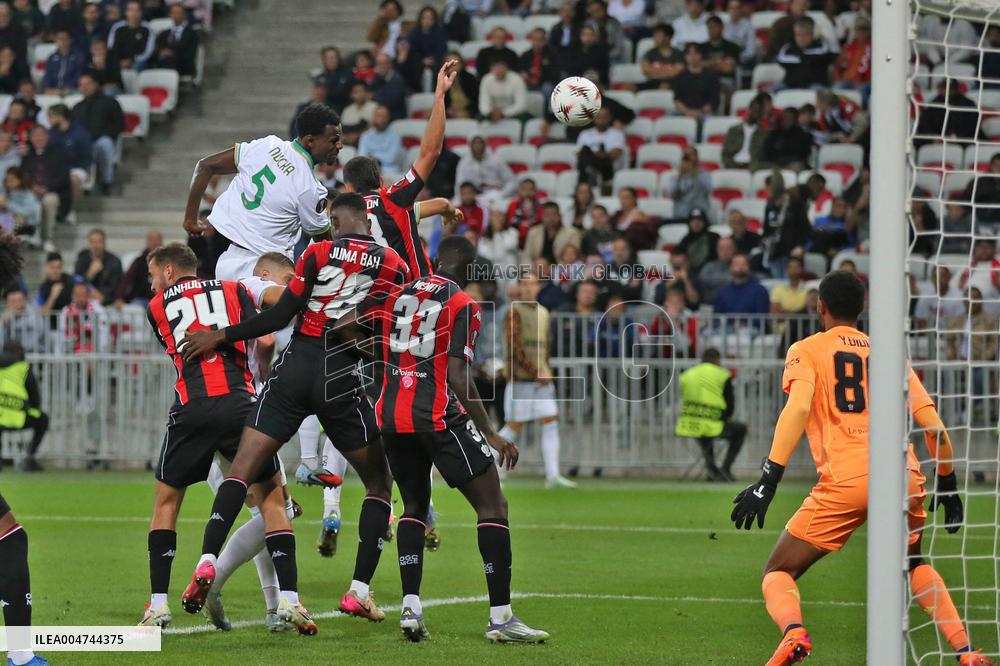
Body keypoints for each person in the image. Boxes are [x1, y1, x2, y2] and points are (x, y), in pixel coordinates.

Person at [730, 270, 995, 666]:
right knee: (914, 562)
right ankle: (965, 651)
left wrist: (768, 481)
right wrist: (948, 482)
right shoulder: (889, 353)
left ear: (820, 306)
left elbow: (798, 407)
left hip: (847, 478)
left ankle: (793, 634)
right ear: (863, 308)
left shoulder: (806, 349)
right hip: (902, 476)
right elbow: (934, 428)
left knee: (778, 571)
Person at [176, 194, 411, 633]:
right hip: (342, 375)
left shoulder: (318, 252)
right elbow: (386, 329)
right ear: (367, 220)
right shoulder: (393, 263)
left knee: (241, 471)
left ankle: (207, 560)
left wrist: (220, 335)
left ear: (338, 218)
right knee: (379, 483)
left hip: (296, 367)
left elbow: (282, 313)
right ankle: (358, 590)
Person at [336, 234, 550, 643]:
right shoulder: (462, 305)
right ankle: (501, 619)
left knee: (414, 504)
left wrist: (383, 360)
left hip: (390, 415)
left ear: (433, 260)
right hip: (435, 414)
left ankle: (411, 609)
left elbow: (344, 324)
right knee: (492, 504)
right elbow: (457, 376)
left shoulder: (395, 294)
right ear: (470, 272)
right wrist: (490, 433)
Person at [138, 243, 280, 629]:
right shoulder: (234, 290)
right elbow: (266, 340)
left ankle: (157, 605)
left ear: (169, 272)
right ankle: (285, 604)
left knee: (167, 503)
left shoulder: (156, 307)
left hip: (193, 408)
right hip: (243, 407)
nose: (152, 286)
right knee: (272, 501)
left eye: (153, 276)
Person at [181, 103, 342, 280]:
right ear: (310, 141)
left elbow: (205, 166)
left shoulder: (267, 144)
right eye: (334, 140)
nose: (340, 145)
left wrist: (190, 219)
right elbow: (325, 243)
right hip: (268, 272)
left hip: (227, 263)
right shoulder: (310, 189)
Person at [499, 272, 575, 488]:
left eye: (532, 284)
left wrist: (545, 370)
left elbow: (544, 347)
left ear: (538, 287)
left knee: (550, 421)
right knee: (514, 426)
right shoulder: (513, 312)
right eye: (524, 284)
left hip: (541, 378)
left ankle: (553, 475)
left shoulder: (544, 312)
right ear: (519, 288)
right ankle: (495, 471)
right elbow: (515, 348)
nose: (528, 288)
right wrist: (535, 372)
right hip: (521, 380)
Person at [675, 347, 744, 481]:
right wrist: (726, 417)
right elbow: (730, 404)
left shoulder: (687, 374)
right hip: (712, 423)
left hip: (687, 425)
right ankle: (725, 469)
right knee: (740, 430)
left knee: (705, 437)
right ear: (718, 359)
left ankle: (711, 469)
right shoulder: (722, 374)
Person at [72, 72, 124, 195]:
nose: (84, 87)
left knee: (104, 144)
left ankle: (107, 181)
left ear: (96, 85)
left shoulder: (110, 102)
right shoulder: (77, 107)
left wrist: (103, 134)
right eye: (81, 85)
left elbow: (119, 125)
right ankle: (84, 184)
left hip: (102, 139)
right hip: (84, 143)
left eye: (87, 84)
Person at [0, 340, 47, 471]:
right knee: (43, 420)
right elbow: (34, 394)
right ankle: (30, 458)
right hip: (18, 416)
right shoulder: (23, 367)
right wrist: (31, 409)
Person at [46, 104, 91, 202]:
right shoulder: (50, 133)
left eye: (50, 116)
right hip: (55, 169)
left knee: (72, 179)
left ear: (61, 117)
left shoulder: (80, 133)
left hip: (76, 168)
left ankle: (69, 209)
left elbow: (87, 157)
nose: (48, 119)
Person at [776, 18, 835, 90]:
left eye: (806, 34)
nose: (802, 38)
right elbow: (781, 59)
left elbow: (824, 55)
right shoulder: (788, 48)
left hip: (816, 85)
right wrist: (806, 58)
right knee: (774, 90)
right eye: (798, 35)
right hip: (790, 85)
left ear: (812, 34)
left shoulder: (821, 46)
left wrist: (801, 56)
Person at [576, 107, 625, 191]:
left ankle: (583, 185)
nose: (601, 120)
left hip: (607, 166)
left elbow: (616, 154)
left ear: (609, 118)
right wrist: (594, 154)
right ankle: (589, 175)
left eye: (604, 117)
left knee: (587, 152)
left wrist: (597, 154)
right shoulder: (585, 134)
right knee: (585, 150)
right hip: (587, 163)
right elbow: (579, 154)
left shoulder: (617, 134)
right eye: (599, 117)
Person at [672, 43, 720, 122]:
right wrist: (687, 111)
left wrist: (700, 111)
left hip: (705, 112)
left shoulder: (711, 76)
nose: (692, 57)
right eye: (689, 54)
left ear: (701, 55)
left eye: (696, 53)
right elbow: (677, 99)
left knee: (708, 120)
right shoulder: (680, 76)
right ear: (685, 56)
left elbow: (714, 101)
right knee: (669, 117)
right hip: (685, 112)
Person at [73, 228, 122, 305]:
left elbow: (115, 285)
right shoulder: (82, 259)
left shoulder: (114, 261)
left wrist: (102, 295)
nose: (96, 246)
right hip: (85, 300)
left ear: (104, 243)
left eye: (99, 242)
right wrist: (90, 274)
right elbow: (77, 280)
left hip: (108, 300)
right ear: (89, 244)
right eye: (92, 242)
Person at [154, 3, 198, 78]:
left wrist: (172, 54)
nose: (176, 15)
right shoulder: (163, 34)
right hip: (163, 63)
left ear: (184, 15)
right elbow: (156, 50)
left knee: (168, 62)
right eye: (173, 13)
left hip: (183, 66)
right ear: (170, 14)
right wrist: (161, 53)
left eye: (179, 13)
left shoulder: (192, 34)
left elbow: (190, 54)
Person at [107, 0, 154, 70]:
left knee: (137, 66)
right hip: (118, 61)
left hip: (138, 62)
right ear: (126, 12)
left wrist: (131, 60)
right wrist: (119, 61)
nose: (134, 13)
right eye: (131, 10)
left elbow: (148, 52)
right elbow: (110, 47)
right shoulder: (117, 27)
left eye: (137, 10)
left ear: (141, 12)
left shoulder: (148, 29)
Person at [722, 99, 768, 171]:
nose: (755, 113)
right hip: (733, 164)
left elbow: (762, 156)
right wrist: (730, 165)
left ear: (761, 114)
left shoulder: (763, 133)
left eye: (758, 111)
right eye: (754, 110)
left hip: (752, 167)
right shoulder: (733, 130)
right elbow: (725, 153)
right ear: (749, 110)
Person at [358, 104, 404, 174]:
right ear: (373, 117)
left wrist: (372, 155)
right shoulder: (365, 135)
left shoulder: (395, 136)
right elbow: (361, 156)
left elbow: (391, 158)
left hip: (389, 169)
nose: (381, 119)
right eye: (378, 115)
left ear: (388, 118)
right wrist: (380, 156)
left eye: (384, 116)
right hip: (369, 169)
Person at [42, 29, 85, 94]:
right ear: (56, 40)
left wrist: (66, 88)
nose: (62, 41)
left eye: (65, 38)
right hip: (54, 90)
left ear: (70, 40)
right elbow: (47, 75)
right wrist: (48, 87)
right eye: (60, 39)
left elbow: (78, 75)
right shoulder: (51, 57)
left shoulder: (78, 56)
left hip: (72, 89)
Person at [696, 236, 736, 305]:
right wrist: (730, 280)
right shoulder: (708, 266)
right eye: (722, 248)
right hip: (710, 307)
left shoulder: (740, 266)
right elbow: (701, 281)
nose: (725, 252)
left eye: (728, 248)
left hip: (734, 307)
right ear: (717, 250)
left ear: (734, 249)